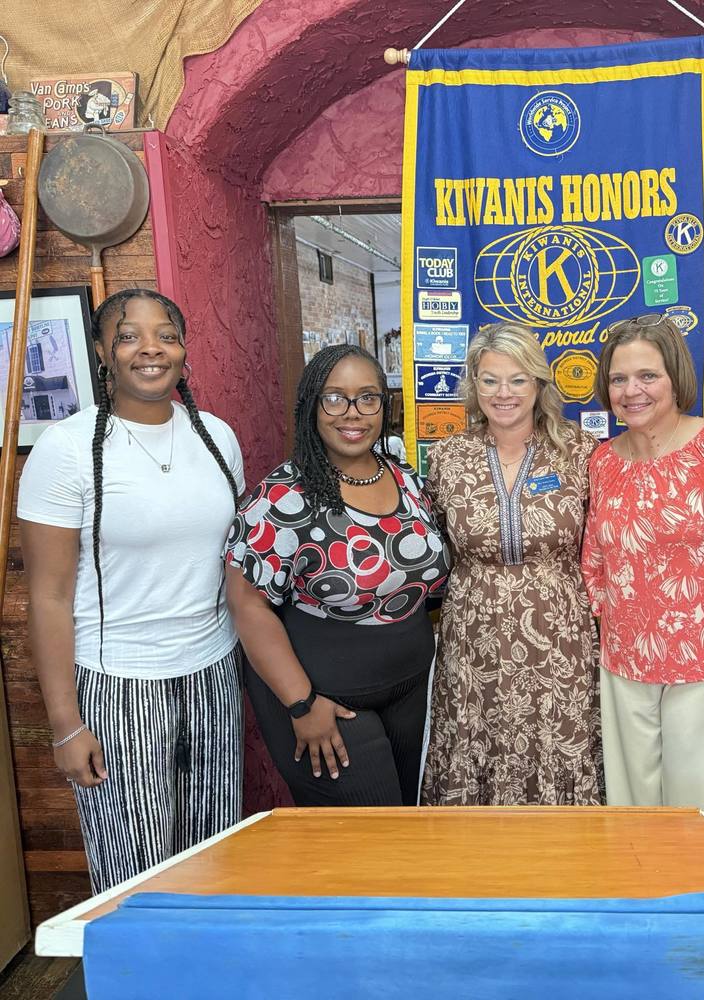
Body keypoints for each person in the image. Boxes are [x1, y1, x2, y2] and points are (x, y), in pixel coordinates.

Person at [18, 289, 244, 893]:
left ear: (183, 348)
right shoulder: (65, 450)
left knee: (214, 853)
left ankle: (205, 982)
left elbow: (230, 564)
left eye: (166, 334)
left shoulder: (217, 437)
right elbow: (46, 597)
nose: (151, 348)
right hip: (118, 685)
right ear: (102, 352)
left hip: (214, 673)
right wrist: (65, 724)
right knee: (135, 875)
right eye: (129, 335)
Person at [225, 345, 448, 807]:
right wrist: (301, 704)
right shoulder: (284, 496)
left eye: (368, 398)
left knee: (410, 830)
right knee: (371, 853)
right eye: (335, 398)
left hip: (412, 689)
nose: (353, 413)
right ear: (312, 406)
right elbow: (248, 605)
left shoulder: (407, 481)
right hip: (325, 699)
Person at [581, 314, 704, 840]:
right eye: (618, 379)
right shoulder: (603, 462)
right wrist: (610, 620)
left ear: (675, 377)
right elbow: (595, 558)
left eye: (647, 376)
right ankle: (646, 910)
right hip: (626, 657)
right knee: (633, 812)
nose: (631, 390)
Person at [421, 322, 602, 806]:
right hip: (472, 637)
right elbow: (431, 544)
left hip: (561, 639)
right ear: (473, 385)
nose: (504, 393)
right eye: (490, 380)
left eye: (518, 379)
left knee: (559, 743)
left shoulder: (580, 452)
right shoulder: (447, 457)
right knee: (476, 740)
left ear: (539, 384)